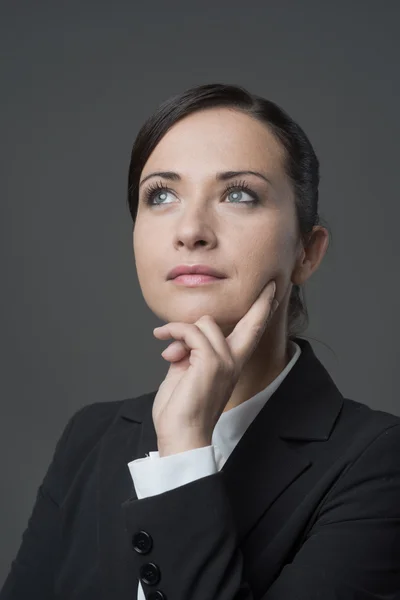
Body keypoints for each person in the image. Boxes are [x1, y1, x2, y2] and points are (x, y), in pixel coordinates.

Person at [1, 82, 399, 600]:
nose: (191, 230)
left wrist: (185, 447)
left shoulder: (378, 462)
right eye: (161, 195)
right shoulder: (90, 437)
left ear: (306, 251)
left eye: (239, 194)